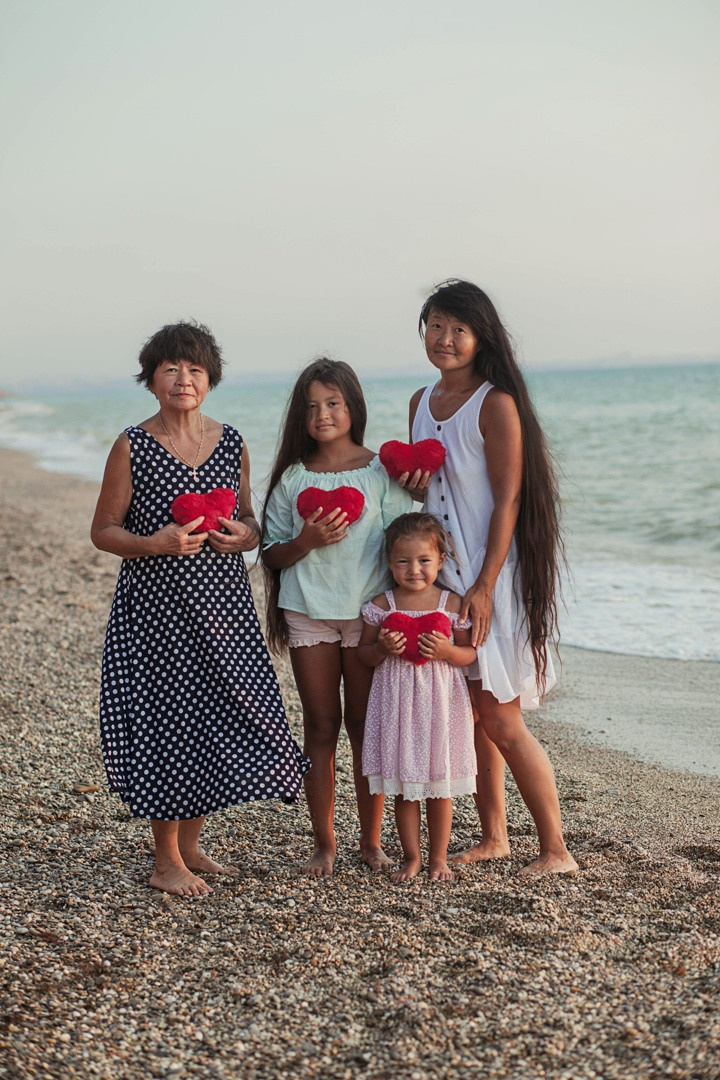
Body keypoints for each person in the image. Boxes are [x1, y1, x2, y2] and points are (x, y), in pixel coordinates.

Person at [91, 321, 309, 897]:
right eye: (170, 368)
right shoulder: (131, 444)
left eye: (194, 369)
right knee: (169, 723)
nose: (183, 379)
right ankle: (165, 862)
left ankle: (190, 847)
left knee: (221, 711)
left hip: (223, 607)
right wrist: (154, 543)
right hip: (156, 612)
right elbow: (104, 530)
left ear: (210, 379)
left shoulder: (231, 440)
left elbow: (248, 519)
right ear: (152, 380)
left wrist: (245, 535)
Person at [405, 280, 578, 876]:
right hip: (443, 582)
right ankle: (497, 836)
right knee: (474, 714)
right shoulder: (419, 403)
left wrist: (483, 583)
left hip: (490, 579)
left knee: (502, 717)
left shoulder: (495, 404)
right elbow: (428, 496)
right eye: (435, 326)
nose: (445, 339)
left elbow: (508, 501)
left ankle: (556, 850)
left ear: (481, 337)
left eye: (459, 329)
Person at [261, 359, 413, 876]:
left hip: (368, 616)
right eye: (311, 406)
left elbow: (404, 542)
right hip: (309, 613)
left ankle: (371, 843)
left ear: (353, 406)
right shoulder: (292, 478)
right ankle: (324, 843)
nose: (322, 414)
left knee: (364, 727)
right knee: (322, 727)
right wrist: (306, 541)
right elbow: (272, 555)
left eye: (333, 403)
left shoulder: (379, 472)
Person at [357, 513, 477, 883]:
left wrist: (446, 651)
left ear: (440, 561)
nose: (414, 570)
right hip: (397, 706)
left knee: (439, 788)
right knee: (406, 789)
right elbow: (363, 655)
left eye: (424, 561)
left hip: (440, 705)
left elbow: (468, 654)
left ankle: (438, 858)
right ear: (390, 562)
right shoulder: (383, 604)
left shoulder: (451, 604)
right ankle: (412, 857)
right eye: (403, 562)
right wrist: (381, 648)